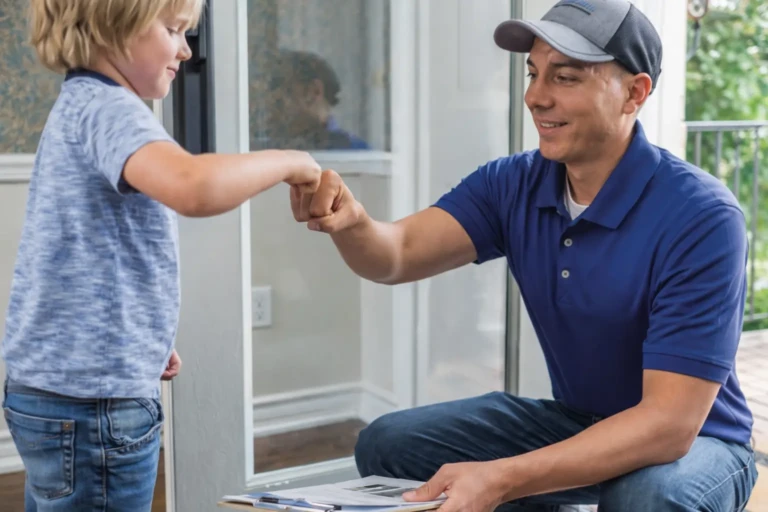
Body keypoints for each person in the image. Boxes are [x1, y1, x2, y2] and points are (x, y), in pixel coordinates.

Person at [291, 0, 759, 510]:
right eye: (534, 73)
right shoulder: (512, 182)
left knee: (644, 496)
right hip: (579, 419)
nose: (535, 96)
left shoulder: (701, 216)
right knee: (389, 442)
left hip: (700, 441)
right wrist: (352, 222)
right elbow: (397, 254)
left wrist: (504, 478)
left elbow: (669, 426)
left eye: (566, 77)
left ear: (634, 92)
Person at [1, 0, 321, 510]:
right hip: (95, 406)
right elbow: (193, 186)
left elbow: (84, 256)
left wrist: (140, 338)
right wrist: (292, 160)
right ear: (112, 26)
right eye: (173, 29)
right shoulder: (110, 110)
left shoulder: (81, 105)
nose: (186, 49)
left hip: (51, 388)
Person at [263, 49, 370, 151]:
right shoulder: (266, 149)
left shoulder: (355, 154)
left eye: (279, 88)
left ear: (313, 91)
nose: (270, 101)